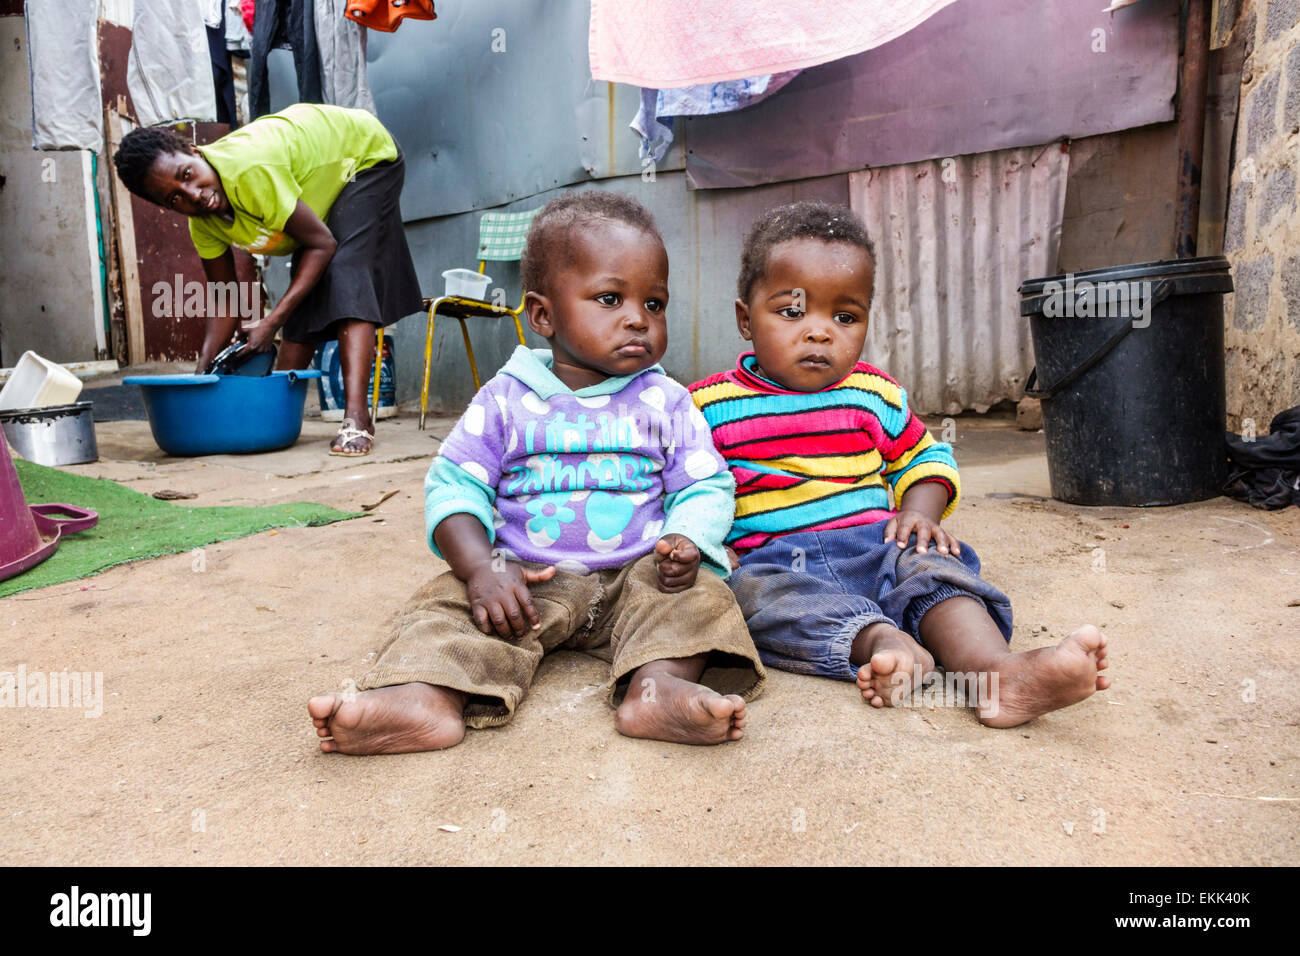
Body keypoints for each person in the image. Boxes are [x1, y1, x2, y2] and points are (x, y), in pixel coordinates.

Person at [307, 192, 766, 753]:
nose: (637, 319)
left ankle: (657, 688)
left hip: (638, 580)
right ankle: (424, 699)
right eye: (609, 298)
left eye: (655, 303)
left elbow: (705, 483)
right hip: (521, 584)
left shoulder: (666, 400)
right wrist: (480, 569)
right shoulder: (504, 399)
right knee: (444, 609)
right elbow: (455, 486)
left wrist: (686, 539)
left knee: (705, 598)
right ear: (543, 314)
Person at [688, 201, 1109, 728]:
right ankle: (883, 642)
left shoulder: (874, 394)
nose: (820, 332)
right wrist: (704, 540)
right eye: (792, 312)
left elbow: (924, 456)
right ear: (745, 319)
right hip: (775, 560)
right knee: (748, 598)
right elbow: (685, 481)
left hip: (876, 544)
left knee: (932, 570)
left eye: (845, 316)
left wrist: (921, 513)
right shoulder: (705, 405)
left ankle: (998, 675)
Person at [111, 103, 423, 456]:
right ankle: (273, 415)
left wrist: (271, 322)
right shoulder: (203, 224)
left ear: (196, 152)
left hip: (363, 156)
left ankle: (357, 418)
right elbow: (227, 297)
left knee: (343, 268)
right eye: (175, 198)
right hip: (321, 178)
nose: (194, 195)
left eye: (187, 174)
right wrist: (203, 373)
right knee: (305, 285)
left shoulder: (250, 168)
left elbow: (323, 243)